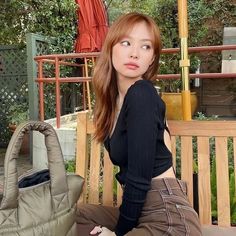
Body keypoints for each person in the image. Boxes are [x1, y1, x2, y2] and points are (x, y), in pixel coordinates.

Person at [76, 12, 202, 236]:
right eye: (126, 43)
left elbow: (138, 177)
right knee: (70, 216)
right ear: (111, 47)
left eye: (145, 47)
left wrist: (119, 233)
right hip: (139, 211)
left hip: (168, 217)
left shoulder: (142, 94)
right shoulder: (111, 104)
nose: (135, 53)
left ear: (152, 58)